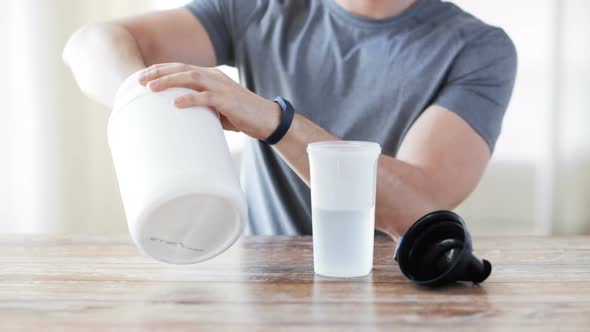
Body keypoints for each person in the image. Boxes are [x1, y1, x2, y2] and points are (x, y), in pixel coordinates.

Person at [63, 0, 517, 240]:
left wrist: (275, 122)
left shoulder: (477, 49)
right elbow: (91, 44)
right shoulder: (259, 8)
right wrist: (149, 106)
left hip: (392, 287)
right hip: (261, 279)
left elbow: (419, 204)